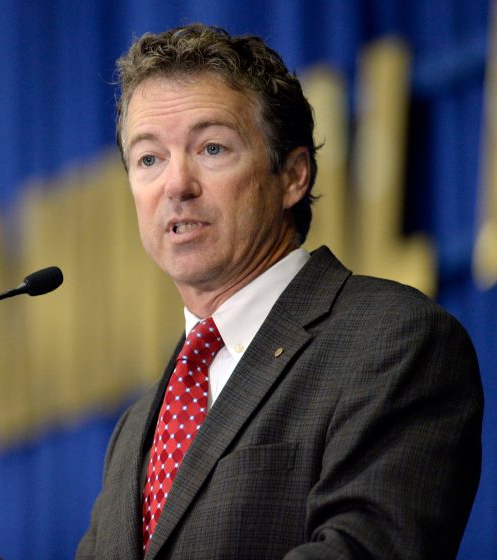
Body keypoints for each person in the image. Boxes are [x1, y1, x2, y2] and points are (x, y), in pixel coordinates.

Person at [77, 23, 483, 559]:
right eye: (149, 158)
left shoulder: (392, 341)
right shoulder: (135, 428)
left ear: (292, 176)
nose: (176, 185)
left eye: (212, 148)